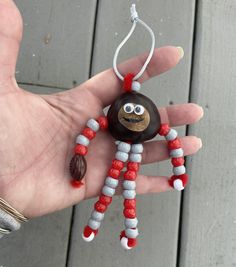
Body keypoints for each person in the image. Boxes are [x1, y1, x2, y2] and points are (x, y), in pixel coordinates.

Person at [0, 0, 203, 219]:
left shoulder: (144, 121)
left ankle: (100, 226)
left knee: (124, 184)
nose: (133, 113)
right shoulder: (108, 121)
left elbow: (170, 139)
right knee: (123, 185)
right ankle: (100, 226)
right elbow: (88, 135)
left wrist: (178, 172)